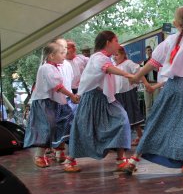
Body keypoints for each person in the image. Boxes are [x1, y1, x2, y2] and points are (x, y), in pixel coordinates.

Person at [122, 6, 183, 175]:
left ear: (175, 23)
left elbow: (152, 63)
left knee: (157, 121)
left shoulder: (168, 41)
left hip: (170, 86)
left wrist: (136, 77)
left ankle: (134, 158)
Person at [67, 31, 134, 172]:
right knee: (83, 129)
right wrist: (127, 74)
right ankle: (69, 160)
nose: (118, 44)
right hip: (91, 98)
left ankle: (121, 159)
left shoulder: (104, 58)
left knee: (122, 120)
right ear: (108, 42)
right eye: (116, 41)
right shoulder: (98, 57)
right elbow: (107, 68)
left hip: (105, 98)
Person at [23, 42, 79, 168]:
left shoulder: (56, 67)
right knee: (47, 127)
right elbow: (57, 86)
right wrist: (71, 95)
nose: (64, 55)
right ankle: (39, 155)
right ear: (52, 56)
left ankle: (60, 151)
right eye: (61, 53)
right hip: (45, 102)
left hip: (58, 102)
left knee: (64, 123)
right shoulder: (46, 68)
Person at [113, 46, 155, 146]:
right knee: (121, 116)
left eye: (117, 55)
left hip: (128, 92)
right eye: (114, 55)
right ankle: (124, 139)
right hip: (118, 94)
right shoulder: (114, 67)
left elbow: (140, 72)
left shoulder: (128, 63)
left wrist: (146, 84)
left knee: (133, 113)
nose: (115, 57)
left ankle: (140, 136)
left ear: (123, 55)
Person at [142, 45, 159, 117]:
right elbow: (142, 73)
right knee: (148, 104)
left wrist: (152, 64)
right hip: (147, 84)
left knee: (156, 103)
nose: (149, 52)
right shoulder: (144, 62)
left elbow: (158, 70)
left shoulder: (156, 61)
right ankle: (149, 121)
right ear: (145, 52)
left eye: (150, 50)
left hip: (155, 84)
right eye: (148, 50)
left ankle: (157, 120)